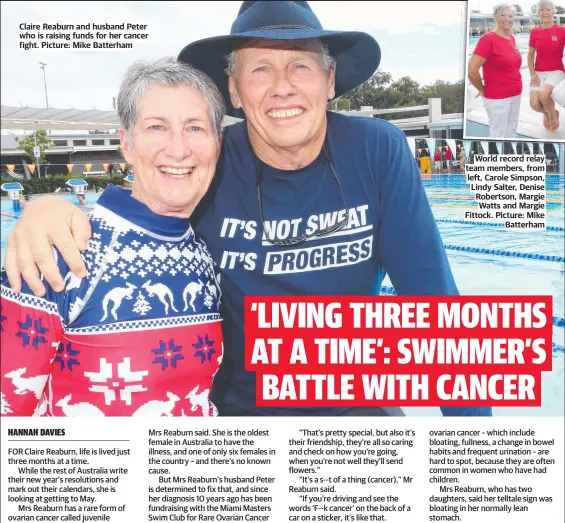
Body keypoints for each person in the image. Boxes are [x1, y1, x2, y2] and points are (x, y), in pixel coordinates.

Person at [4, 1, 490, 418]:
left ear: (330, 79)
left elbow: (435, 304)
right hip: (238, 420)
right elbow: (139, 209)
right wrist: (47, 207)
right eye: (260, 68)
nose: (282, 86)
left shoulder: (375, 149)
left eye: (300, 65)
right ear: (234, 90)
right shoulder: (210, 157)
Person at [0, 58, 224, 417]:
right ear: (126, 144)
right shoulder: (60, 252)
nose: (179, 149)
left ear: (218, 143)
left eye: (195, 128)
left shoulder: (202, 252)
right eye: (156, 127)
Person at [468, 3, 522, 138]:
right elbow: (472, 71)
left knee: (511, 130)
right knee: (498, 134)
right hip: (497, 98)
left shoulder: (511, 38)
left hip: (516, 94)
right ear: (495, 17)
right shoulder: (488, 39)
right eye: (503, 15)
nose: (507, 19)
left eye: (510, 16)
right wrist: (482, 89)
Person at [528, 1, 565, 131]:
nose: (545, 12)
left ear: (553, 12)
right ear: (539, 13)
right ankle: (549, 113)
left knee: (544, 96)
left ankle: (553, 118)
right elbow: (530, 54)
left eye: (548, 10)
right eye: (542, 10)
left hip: (556, 71)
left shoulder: (562, 31)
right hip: (538, 72)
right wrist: (532, 73)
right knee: (534, 104)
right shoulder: (534, 32)